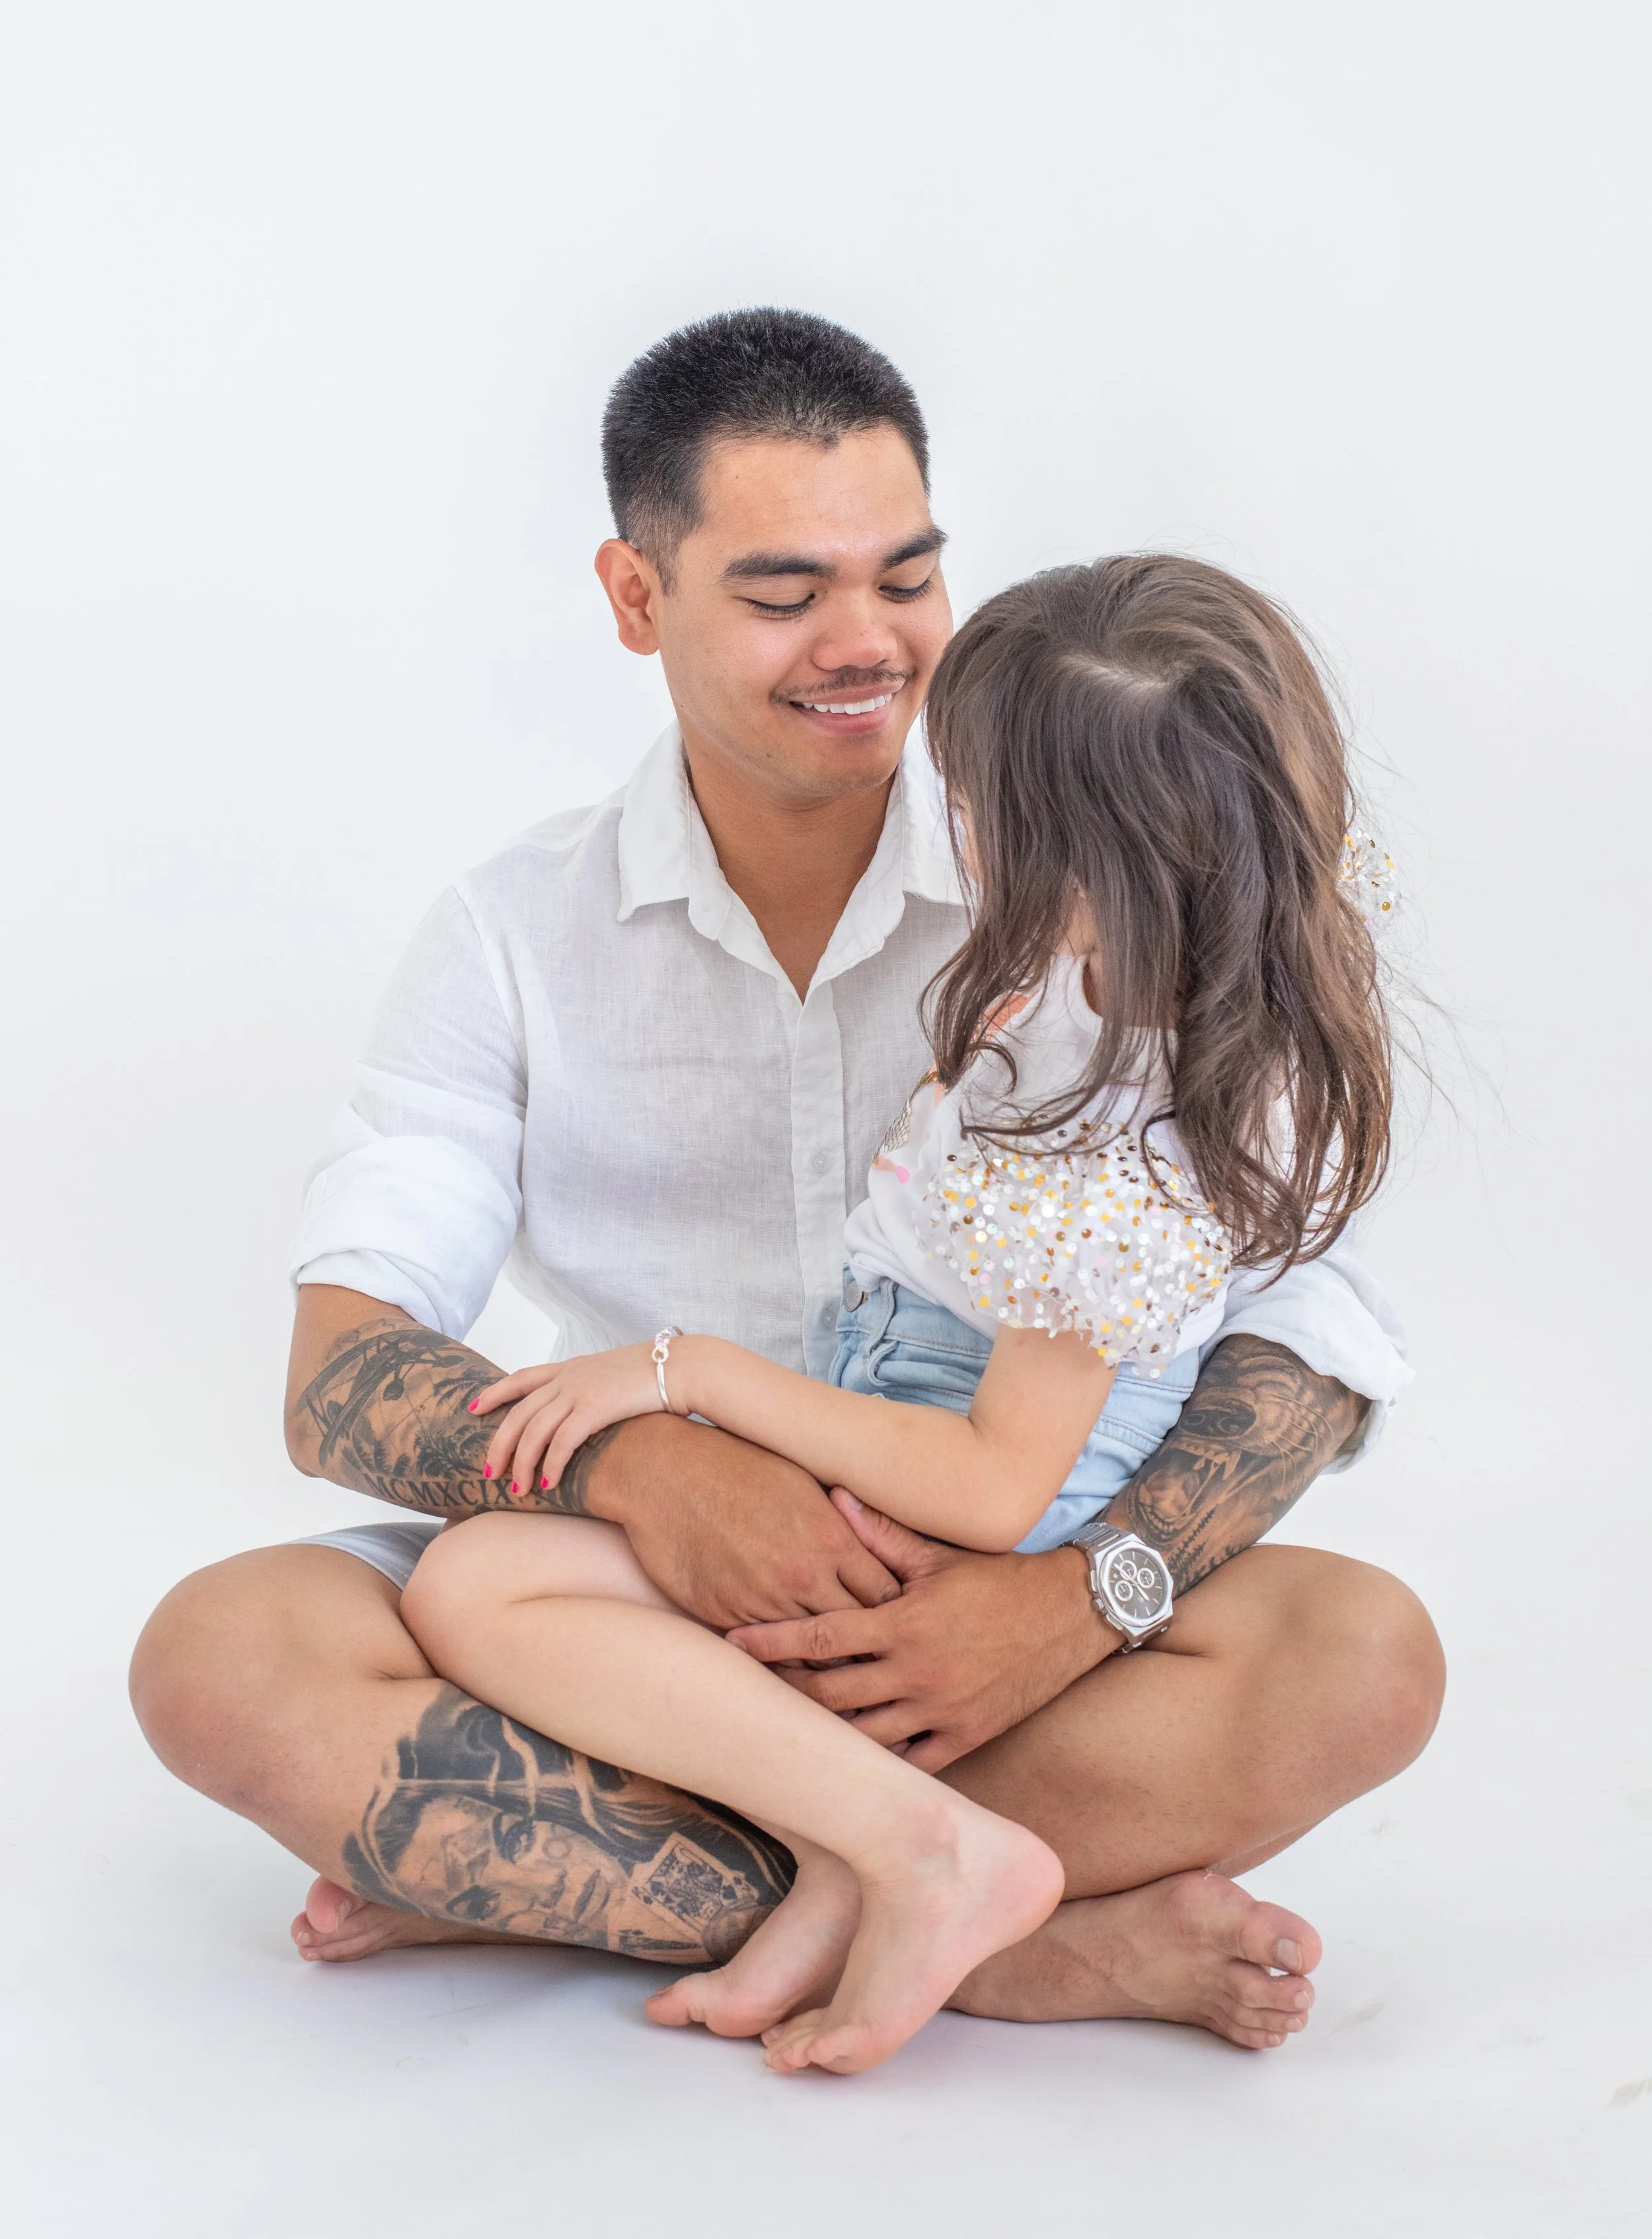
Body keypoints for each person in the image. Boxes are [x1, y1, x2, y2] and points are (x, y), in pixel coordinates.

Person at [129, 309, 1442, 2053]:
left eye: (906, 575)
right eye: (780, 592)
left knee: (1361, 1653)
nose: (866, 643)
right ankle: (1011, 1935)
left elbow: (1305, 1328)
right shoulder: (510, 932)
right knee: (222, 1656)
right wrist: (654, 1466)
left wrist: (1071, 1597)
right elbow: (343, 1363)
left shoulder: (1080, 876)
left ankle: (565, 1877)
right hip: (646, 1583)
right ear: (633, 596)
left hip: (995, 1577)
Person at [396, 552, 1403, 2076]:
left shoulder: (1090, 1130)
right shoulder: (1135, 1002)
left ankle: (920, 1858)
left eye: (976, 798)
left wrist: (690, 1374)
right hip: (911, 1449)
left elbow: (997, 1492)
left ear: (1070, 856)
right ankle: (887, 1882)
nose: (949, 822)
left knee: (482, 1594)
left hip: (946, 1505)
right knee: (283, 1648)